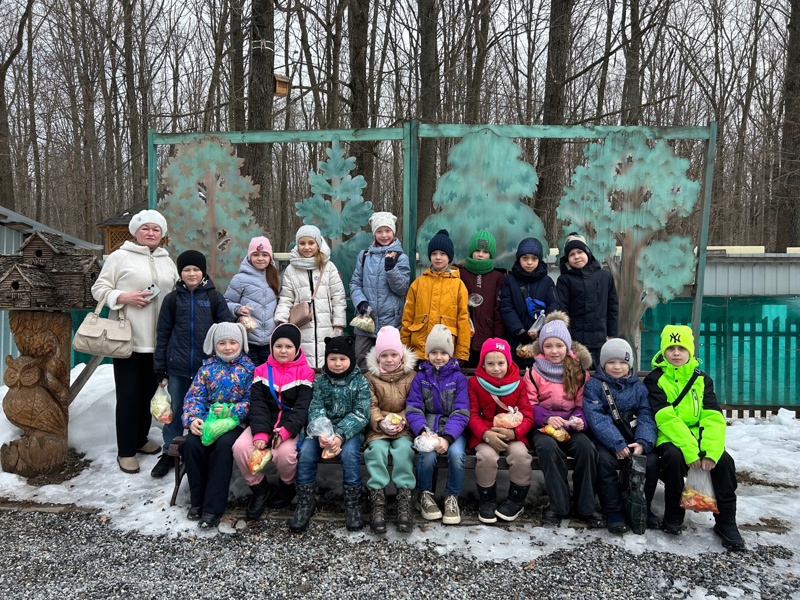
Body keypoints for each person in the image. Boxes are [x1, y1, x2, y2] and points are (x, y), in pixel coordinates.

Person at [92, 209, 178, 474]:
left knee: (148, 395)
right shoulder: (120, 257)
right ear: (135, 231)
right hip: (127, 338)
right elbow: (99, 288)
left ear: (161, 235)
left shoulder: (167, 260)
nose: (150, 233)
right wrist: (123, 297)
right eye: (145, 229)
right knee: (128, 396)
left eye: (156, 230)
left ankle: (140, 440)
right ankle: (126, 451)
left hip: (159, 341)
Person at [645, 325, 745, 551]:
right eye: (671, 348)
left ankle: (726, 522)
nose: (676, 353)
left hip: (699, 436)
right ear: (664, 351)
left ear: (690, 351)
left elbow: (712, 417)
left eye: (682, 348)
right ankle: (674, 512)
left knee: (724, 461)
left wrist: (709, 451)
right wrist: (691, 450)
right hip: (670, 435)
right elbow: (665, 418)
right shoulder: (655, 379)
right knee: (673, 457)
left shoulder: (702, 379)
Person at [151, 250, 234, 478]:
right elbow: (163, 334)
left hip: (207, 369)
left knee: (206, 410)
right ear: (180, 273)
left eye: (196, 269)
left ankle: (203, 448)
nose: (191, 273)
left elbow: (227, 329)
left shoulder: (214, 298)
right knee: (178, 410)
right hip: (177, 367)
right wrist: (160, 367)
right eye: (186, 269)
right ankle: (171, 451)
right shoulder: (171, 300)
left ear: (203, 271)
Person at [525, 312, 603, 528]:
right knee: (549, 450)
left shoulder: (578, 372)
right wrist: (547, 418)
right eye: (548, 346)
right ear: (542, 347)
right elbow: (528, 405)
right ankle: (559, 505)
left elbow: (582, 404)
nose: (554, 351)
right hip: (543, 428)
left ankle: (586, 506)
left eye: (559, 346)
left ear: (567, 347)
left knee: (587, 449)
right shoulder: (534, 372)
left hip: (571, 426)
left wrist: (579, 420)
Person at [232, 323, 315, 519]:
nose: (283, 351)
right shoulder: (261, 371)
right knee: (241, 447)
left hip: (289, 426)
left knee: (284, 453)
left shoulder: (305, 373)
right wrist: (261, 433)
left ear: (296, 349)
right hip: (264, 423)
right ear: (271, 347)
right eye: (278, 346)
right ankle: (259, 487)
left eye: (288, 347)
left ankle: (287, 485)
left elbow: (303, 408)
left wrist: (286, 431)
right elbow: (258, 403)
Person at [290, 336, 371, 533]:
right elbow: (316, 407)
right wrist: (322, 433)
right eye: (332, 358)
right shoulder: (320, 382)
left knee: (350, 454)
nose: (337, 363)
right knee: (306, 452)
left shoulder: (360, 382)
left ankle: (353, 504)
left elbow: (361, 413)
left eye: (342, 359)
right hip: (321, 432)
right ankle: (304, 501)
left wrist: (340, 435)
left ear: (350, 360)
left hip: (350, 432)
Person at [180, 323, 254, 528]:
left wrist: (233, 411)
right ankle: (197, 501)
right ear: (214, 344)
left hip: (234, 424)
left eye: (232, 342)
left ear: (241, 344)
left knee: (223, 448)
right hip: (208, 421)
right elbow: (194, 397)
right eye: (222, 343)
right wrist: (192, 419)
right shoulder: (207, 369)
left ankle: (213, 507)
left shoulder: (248, 369)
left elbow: (253, 401)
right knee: (192, 445)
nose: (228, 347)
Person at [583, 338, 660, 534]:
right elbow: (597, 417)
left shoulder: (639, 387)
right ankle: (614, 511)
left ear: (630, 364)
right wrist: (616, 443)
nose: (617, 367)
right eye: (611, 362)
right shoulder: (594, 386)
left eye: (623, 362)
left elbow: (646, 414)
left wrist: (643, 442)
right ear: (603, 364)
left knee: (650, 461)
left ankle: (643, 507)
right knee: (604, 462)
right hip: (606, 440)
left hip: (634, 437)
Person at [406, 325, 469, 524]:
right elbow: (414, 408)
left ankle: (451, 496)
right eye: (434, 352)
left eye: (443, 352)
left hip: (453, 429)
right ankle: (424, 495)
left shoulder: (458, 379)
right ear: (427, 354)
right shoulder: (420, 377)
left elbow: (461, 411)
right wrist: (423, 431)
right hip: (429, 428)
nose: (439, 357)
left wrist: (448, 438)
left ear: (450, 354)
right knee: (427, 454)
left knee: (457, 455)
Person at [468, 337, 534, 523]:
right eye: (490, 364)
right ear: (482, 363)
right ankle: (487, 500)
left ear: (508, 362)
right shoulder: (475, 383)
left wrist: (515, 433)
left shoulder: (518, 384)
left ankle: (516, 500)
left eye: (501, 363)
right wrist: (485, 434)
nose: (496, 368)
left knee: (521, 456)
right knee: (486, 457)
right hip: (485, 433)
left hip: (512, 433)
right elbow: (472, 414)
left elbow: (528, 415)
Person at [363, 326, 418, 534]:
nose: (389, 359)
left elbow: (414, 403)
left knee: (404, 450)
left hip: (403, 427)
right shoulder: (370, 378)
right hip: (378, 428)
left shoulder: (411, 376)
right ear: (378, 359)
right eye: (384, 355)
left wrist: (403, 420)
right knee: (376, 451)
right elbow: (370, 405)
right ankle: (378, 499)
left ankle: (404, 498)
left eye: (393, 354)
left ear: (401, 356)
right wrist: (379, 421)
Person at [274, 225, 346, 368]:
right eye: (302, 243)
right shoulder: (291, 269)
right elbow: (286, 297)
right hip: (301, 326)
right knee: (303, 365)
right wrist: (282, 320)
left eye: (311, 243)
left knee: (326, 362)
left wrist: (338, 324)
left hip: (326, 326)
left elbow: (338, 297)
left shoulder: (329, 267)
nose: (306, 247)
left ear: (318, 244)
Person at [349, 212, 411, 369]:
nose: (384, 235)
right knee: (362, 361)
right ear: (374, 233)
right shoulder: (364, 256)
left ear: (393, 232)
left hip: (391, 321)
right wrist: (361, 302)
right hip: (366, 321)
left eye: (387, 231)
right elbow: (355, 283)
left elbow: (402, 288)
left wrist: (392, 271)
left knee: (390, 363)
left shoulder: (400, 257)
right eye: (379, 231)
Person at [401, 229, 470, 363]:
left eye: (442, 253)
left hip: (446, 350)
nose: (438, 257)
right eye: (434, 254)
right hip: (419, 350)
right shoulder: (418, 283)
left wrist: (461, 353)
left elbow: (463, 319)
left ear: (449, 257)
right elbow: (407, 318)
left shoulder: (458, 285)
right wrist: (404, 349)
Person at [555, 232, 618, 369]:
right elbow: (562, 310)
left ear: (588, 253)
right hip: (577, 342)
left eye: (580, 252)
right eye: (571, 254)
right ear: (567, 259)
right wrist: (568, 339)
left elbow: (612, 307)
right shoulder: (564, 280)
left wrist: (612, 335)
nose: (576, 257)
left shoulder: (605, 277)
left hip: (601, 340)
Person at [500, 237, 559, 370]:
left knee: (538, 376)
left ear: (539, 260)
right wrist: (520, 331)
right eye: (525, 258)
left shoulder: (547, 281)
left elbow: (553, 306)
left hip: (540, 340)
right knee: (514, 373)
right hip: (515, 339)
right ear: (519, 259)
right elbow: (506, 308)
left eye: (534, 258)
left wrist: (540, 330)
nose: (529, 262)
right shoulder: (510, 281)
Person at [224, 236, 281, 367]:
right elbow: (226, 302)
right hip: (247, 339)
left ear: (270, 257)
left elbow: (280, 303)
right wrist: (237, 309)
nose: (260, 258)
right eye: (256, 254)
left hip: (270, 340)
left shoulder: (276, 278)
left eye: (264, 255)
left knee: (268, 376)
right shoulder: (239, 279)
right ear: (249, 257)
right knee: (250, 375)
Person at [459, 231, 506, 368]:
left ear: (490, 255)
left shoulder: (498, 277)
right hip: (465, 338)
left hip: (488, 337)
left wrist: (498, 339)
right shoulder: (460, 274)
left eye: (485, 252)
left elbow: (499, 310)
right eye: (477, 250)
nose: (480, 255)